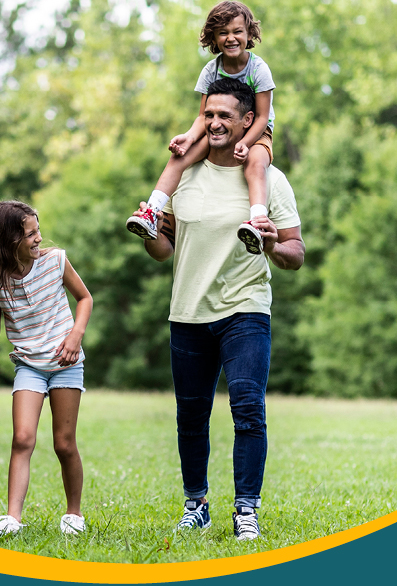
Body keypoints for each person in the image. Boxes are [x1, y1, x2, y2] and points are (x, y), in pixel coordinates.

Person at [133, 78, 304, 541]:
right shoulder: (183, 173)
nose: (213, 123)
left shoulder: (270, 180)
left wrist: (270, 245)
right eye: (208, 115)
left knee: (248, 409)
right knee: (191, 416)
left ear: (248, 121)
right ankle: (197, 504)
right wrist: (151, 235)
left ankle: (246, 509)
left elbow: (296, 254)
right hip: (187, 312)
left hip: (245, 310)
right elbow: (165, 251)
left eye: (224, 116)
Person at [0, 201, 93, 537]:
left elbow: (85, 298)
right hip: (29, 366)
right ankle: (11, 518)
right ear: (9, 240)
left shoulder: (55, 261)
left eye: (38, 230)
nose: (39, 238)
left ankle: (74, 513)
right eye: (31, 233)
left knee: (64, 443)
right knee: (22, 438)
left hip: (66, 363)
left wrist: (75, 336)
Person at [127, 0, 276, 255]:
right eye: (223, 33)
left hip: (256, 130)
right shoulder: (211, 70)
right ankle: (152, 211)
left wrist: (245, 143)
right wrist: (187, 138)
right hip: (218, 127)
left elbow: (262, 117)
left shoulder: (258, 69)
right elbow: (202, 118)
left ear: (249, 33)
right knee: (179, 158)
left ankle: (257, 223)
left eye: (237, 31)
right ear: (214, 38)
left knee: (255, 162)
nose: (231, 38)